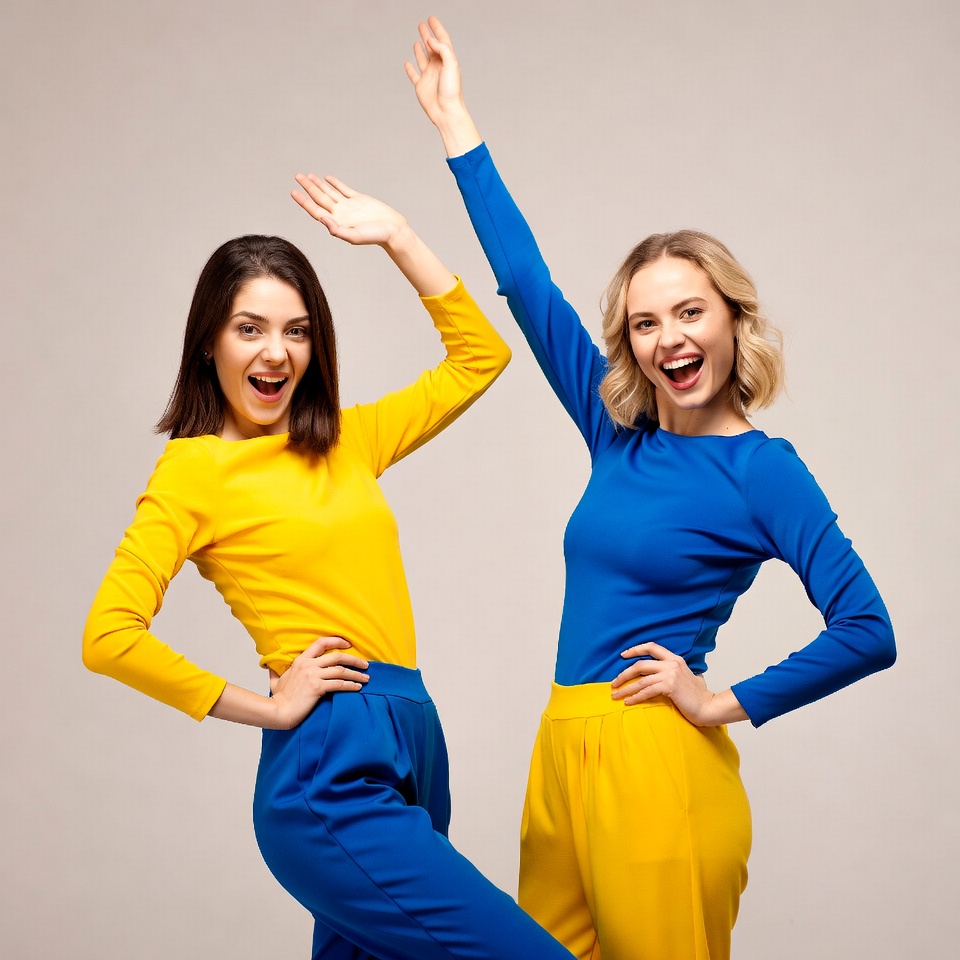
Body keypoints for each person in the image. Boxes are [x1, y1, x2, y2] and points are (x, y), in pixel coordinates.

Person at [405, 16, 896, 960]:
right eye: (643, 323)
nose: (669, 338)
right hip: (561, 749)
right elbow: (525, 284)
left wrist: (721, 701)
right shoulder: (613, 432)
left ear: (732, 321)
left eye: (689, 312)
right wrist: (455, 124)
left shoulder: (763, 471)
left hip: (656, 761)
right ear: (629, 344)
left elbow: (867, 629)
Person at [83, 174, 576, 960]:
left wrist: (398, 237)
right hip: (330, 761)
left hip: (415, 736)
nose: (276, 352)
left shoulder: (346, 441)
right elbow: (108, 637)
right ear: (209, 342)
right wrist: (269, 708)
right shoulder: (193, 472)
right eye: (249, 329)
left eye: (298, 331)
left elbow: (480, 358)